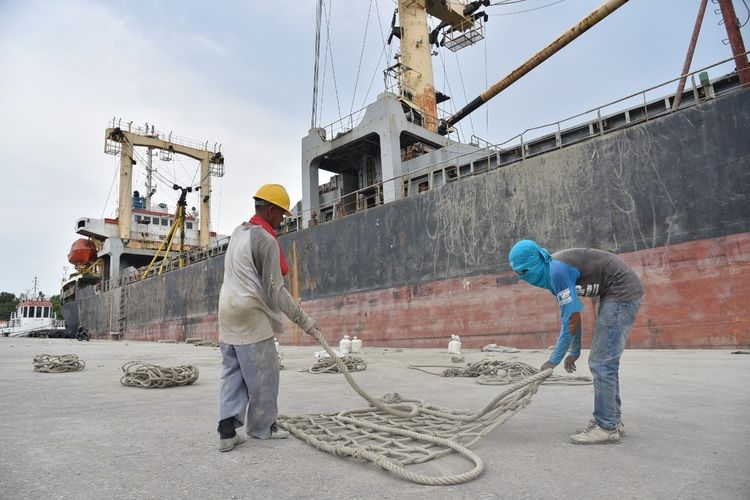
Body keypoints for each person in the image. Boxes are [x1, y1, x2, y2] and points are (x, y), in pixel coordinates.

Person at [217, 184, 320, 452]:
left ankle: (226, 431)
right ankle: (262, 428)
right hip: (251, 315)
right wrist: (304, 320)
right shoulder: (265, 240)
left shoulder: (238, 233)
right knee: (265, 374)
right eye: (282, 215)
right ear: (271, 210)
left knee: (233, 373)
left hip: (227, 312)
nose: (283, 221)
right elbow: (275, 289)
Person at [508, 240, 643, 445]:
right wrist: (574, 351)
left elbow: (570, 318)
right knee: (604, 361)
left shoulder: (556, 272)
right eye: (518, 274)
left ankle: (606, 426)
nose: (523, 277)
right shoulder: (552, 272)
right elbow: (574, 313)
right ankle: (612, 420)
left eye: (523, 271)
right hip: (613, 293)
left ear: (535, 262)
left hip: (620, 292)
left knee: (602, 362)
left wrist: (552, 361)